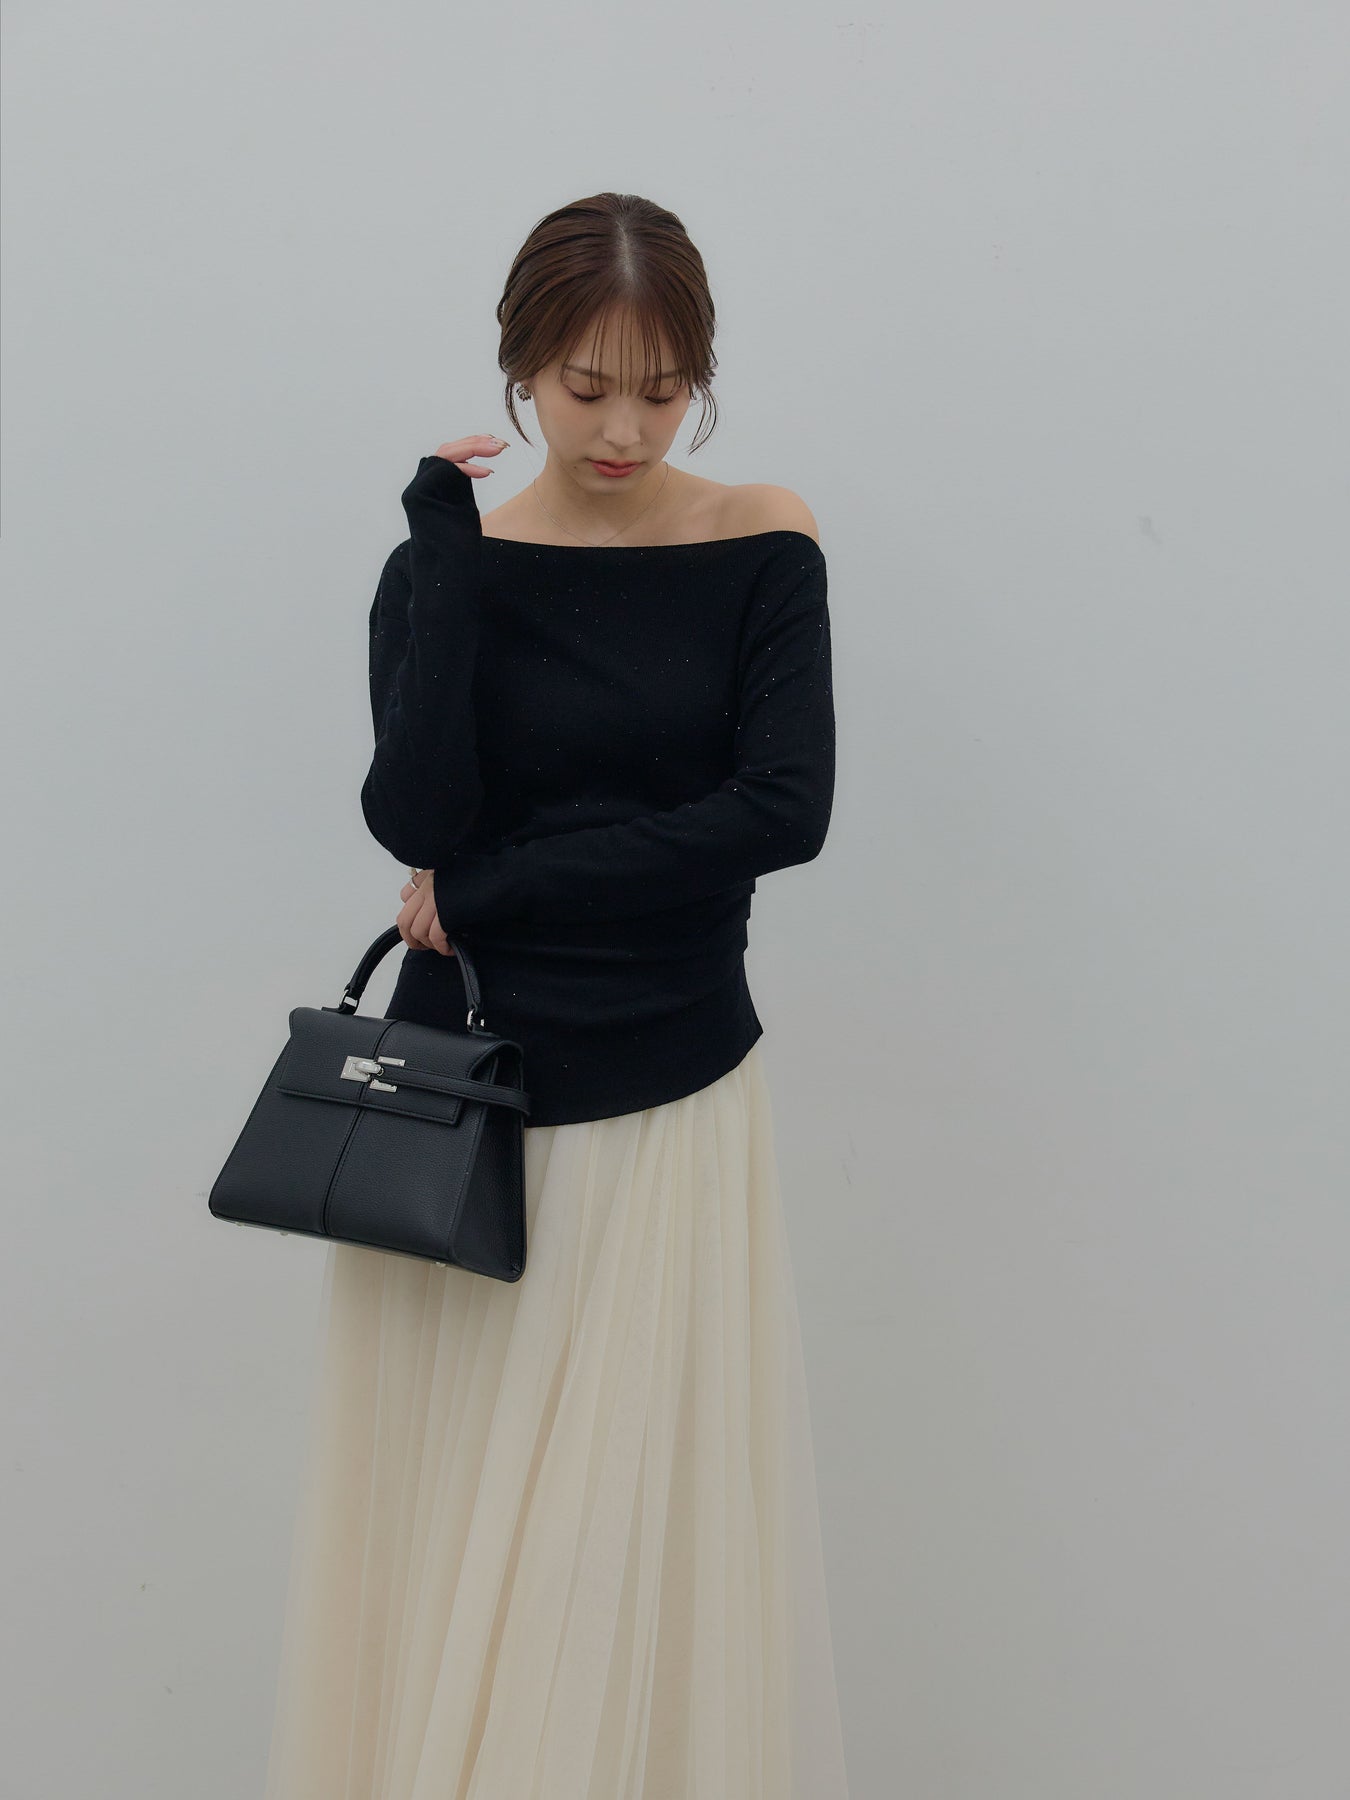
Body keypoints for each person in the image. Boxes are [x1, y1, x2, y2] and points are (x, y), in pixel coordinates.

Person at [262, 190, 850, 1799]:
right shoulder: (443, 568)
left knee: (618, 1542)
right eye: (587, 388)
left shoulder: (760, 539)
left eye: (663, 389)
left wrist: (496, 890)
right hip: (464, 1111)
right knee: (461, 1530)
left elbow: (780, 810)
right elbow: (417, 819)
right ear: (520, 368)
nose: (624, 429)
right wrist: (446, 574)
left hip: (668, 1089)